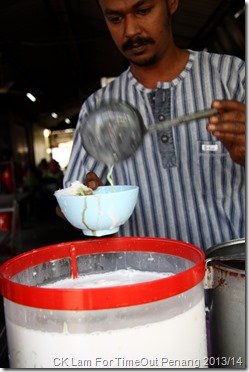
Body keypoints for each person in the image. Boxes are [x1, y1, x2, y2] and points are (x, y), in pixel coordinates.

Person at [60, 0, 245, 251]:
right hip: (146, 280)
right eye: (115, 19)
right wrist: (90, 202)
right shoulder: (99, 108)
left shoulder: (233, 76)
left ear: (171, 3)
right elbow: (70, 198)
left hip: (231, 274)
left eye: (143, 11)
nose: (130, 31)